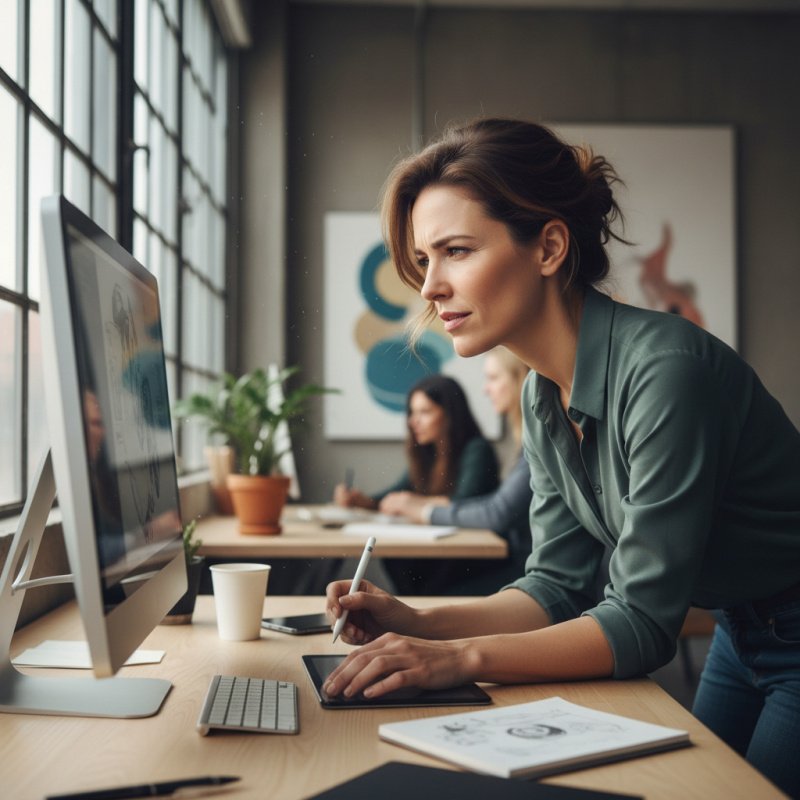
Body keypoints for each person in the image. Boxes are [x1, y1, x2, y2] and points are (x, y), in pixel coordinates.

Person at [323, 118, 800, 796]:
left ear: (548, 247)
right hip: (741, 626)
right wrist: (415, 621)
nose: (429, 287)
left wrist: (451, 659)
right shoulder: (543, 399)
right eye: (425, 260)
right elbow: (556, 587)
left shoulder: (665, 372)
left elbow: (638, 625)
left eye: (454, 251)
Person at [380, 347, 533, 594]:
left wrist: (424, 509)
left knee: (429, 593)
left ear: (522, 378)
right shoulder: (524, 444)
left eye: (493, 378)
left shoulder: (490, 449)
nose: (485, 389)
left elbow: (496, 511)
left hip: (526, 568)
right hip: (523, 563)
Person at [334, 373, 499, 593]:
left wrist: (411, 502)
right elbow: (396, 493)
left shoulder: (476, 449)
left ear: (450, 414)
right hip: (441, 553)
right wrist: (361, 500)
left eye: (425, 412)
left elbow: (465, 503)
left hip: (467, 559)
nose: (413, 421)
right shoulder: (427, 454)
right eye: (412, 412)